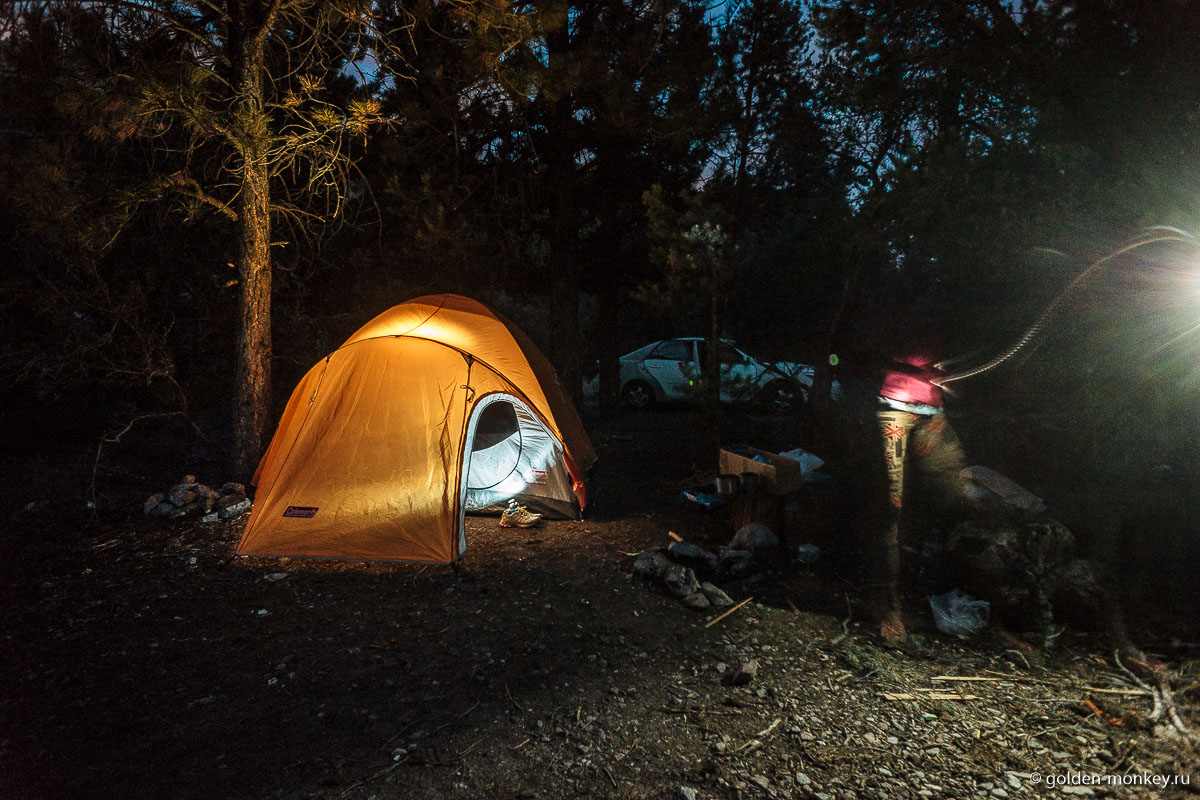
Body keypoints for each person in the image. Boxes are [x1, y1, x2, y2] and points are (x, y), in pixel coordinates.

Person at [873, 355, 970, 644]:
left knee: (958, 497)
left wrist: (950, 375)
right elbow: (860, 355)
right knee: (891, 507)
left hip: (932, 411)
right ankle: (889, 606)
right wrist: (914, 371)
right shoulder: (891, 312)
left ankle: (943, 591)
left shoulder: (947, 313)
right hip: (892, 407)